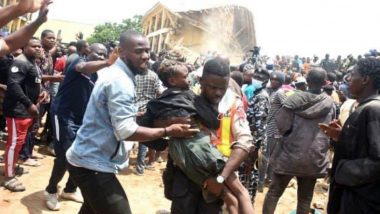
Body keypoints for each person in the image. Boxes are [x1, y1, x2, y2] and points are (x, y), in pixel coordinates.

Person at [65, 30, 197, 214]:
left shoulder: (120, 75)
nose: (145, 56)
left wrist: (135, 115)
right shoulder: (120, 81)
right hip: (92, 164)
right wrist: (168, 131)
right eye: (138, 51)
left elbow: (112, 116)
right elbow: (125, 131)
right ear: (120, 51)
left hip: (87, 158)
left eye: (147, 51)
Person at [141, 59, 254, 213]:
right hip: (185, 176)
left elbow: (245, 142)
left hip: (218, 173)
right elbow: (149, 128)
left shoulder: (233, 104)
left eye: (222, 87)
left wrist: (221, 178)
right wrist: (168, 123)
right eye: (212, 87)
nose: (218, 93)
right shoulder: (186, 99)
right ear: (201, 81)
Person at [43, 43, 116, 211]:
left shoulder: (97, 75)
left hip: (81, 119)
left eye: (104, 54)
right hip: (63, 115)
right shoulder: (77, 61)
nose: (101, 57)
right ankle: (51, 190)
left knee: (80, 155)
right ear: (87, 51)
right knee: (64, 156)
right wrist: (107, 62)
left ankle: (69, 189)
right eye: (98, 53)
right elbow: (83, 67)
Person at [263, 68, 335, 214]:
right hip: (314, 158)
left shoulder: (294, 99)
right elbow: (330, 128)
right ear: (324, 83)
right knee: (305, 199)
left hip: (288, 155)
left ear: (307, 81)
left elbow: (281, 124)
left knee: (274, 193)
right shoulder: (329, 103)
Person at [321, 58, 380, 214]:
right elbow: (363, 147)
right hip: (352, 195)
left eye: (352, 75)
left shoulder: (373, 109)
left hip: (361, 200)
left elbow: (377, 160)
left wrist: (343, 169)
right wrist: (342, 138)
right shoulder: (363, 107)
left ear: (366, 80)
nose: (348, 79)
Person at [2, 37, 49, 192]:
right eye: (34, 46)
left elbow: (33, 83)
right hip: (18, 110)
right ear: (24, 47)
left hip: (27, 110)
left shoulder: (32, 63)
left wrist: (42, 92)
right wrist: (28, 104)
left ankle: (12, 167)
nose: (38, 48)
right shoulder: (21, 62)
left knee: (19, 143)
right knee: (14, 143)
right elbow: (13, 85)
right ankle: (9, 176)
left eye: (39, 46)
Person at [239, 69, 271, 196]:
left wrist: (253, 148)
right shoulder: (254, 93)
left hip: (254, 144)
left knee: (250, 175)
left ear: (265, 81)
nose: (255, 79)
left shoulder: (261, 97)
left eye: (259, 77)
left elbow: (259, 125)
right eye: (255, 76)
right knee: (246, 175)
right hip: (250, 141)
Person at [263, 71, 287, 186]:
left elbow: (287, 107)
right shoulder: (271, 91)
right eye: (272, 79)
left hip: (274, 129)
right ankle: (266, 178)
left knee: (268, 156)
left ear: (281, 82)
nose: (273, 81)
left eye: (276, 80)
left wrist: (280, 121)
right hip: (267, 127)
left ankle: (266, 179)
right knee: (266, 155)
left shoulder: (280, 93)